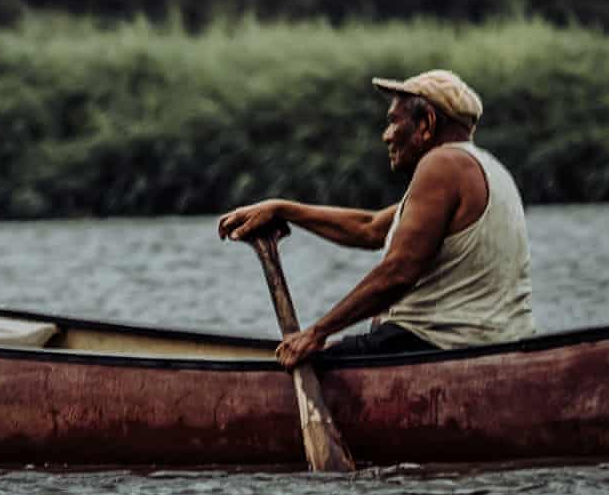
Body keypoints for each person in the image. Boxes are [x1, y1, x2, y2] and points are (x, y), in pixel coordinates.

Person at [217, 69, 535, 369]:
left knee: (317, 362)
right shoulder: (487, 168)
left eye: (394, 122)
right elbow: (369, 228)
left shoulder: (442, 164)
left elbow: (399, 271)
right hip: (498, 345)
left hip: (433, 346)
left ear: (426, 123)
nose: (386, 136)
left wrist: (317, 333)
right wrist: (284, 210)